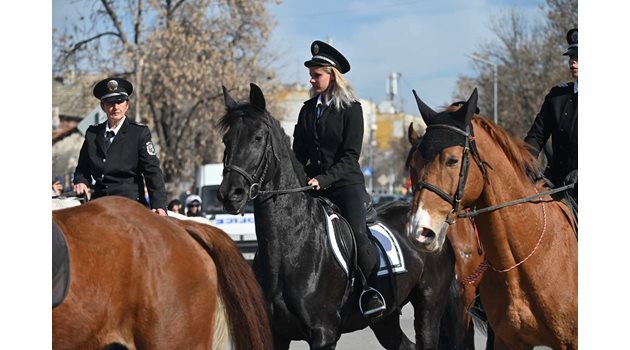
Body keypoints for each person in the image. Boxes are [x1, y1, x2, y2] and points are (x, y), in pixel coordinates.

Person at [292, 40, 385, 317]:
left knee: (358, 235)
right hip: (314, 185)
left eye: (316, 74)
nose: (311, 79)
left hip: (345, 185)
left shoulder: (352, 109)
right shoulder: (307, 109)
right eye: (311, 74)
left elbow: (350, 157)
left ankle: (371, 290)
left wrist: (324, 178)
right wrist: (299, 176)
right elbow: (298, 152)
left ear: (332, 76)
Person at [72, 77, 167, 216]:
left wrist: (159, 206)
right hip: (100, 206)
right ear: (103, 107)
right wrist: (81, 182)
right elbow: (82, 170)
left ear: (127, 105)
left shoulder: (139, 133)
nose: (115, 107)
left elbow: (152, 172)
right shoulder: (92, 134)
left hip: (130, 207)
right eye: (110, 103)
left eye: (119, 102)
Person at [524, 28, 578, 202]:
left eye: (578, 58)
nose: (573, 63)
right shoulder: (556, 96)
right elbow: (536, 136)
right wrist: (523, 163)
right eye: (571, 58)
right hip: (556, 184)